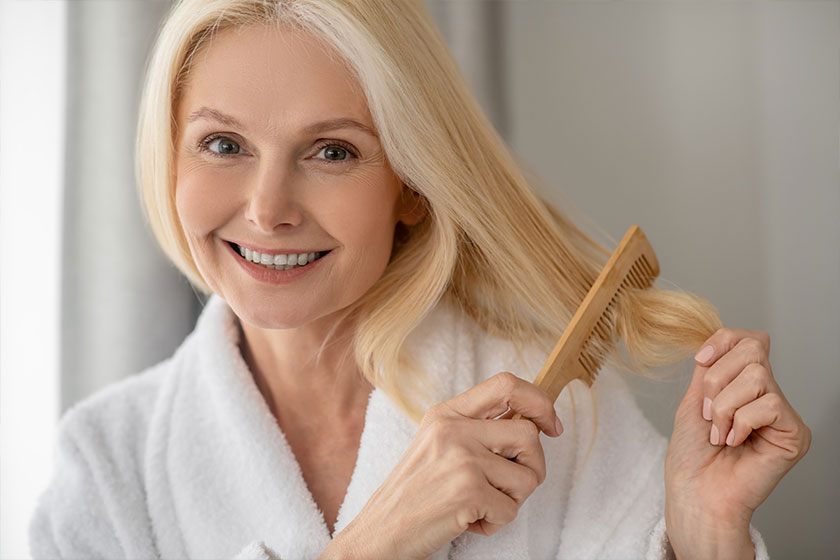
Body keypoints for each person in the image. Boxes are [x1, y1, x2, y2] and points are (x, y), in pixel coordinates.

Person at [30, 1, 811, 559]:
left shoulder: (561, 411)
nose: (267, 210)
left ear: (410, 183)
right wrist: (379, 540)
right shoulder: (104, 468)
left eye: (332, 151)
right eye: (224, 145)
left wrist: (706, 532)